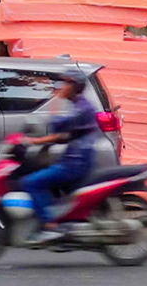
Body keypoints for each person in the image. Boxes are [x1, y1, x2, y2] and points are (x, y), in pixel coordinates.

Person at [17, 69, 102, 243]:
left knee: (30, 182)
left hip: (74, 163)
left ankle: (49, 226)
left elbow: (59, 125)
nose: (62, 87)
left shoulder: (82, 109)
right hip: (75, 159)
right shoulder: (80, 106)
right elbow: (66, 135)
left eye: (65, 83)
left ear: (74, 86)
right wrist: (39, 141)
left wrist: (53, 103)